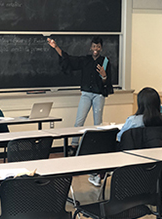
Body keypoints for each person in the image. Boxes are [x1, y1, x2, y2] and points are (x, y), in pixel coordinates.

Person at [47, 36, 113, 187]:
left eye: (98, 47)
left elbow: (106, 82)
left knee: (98, 123)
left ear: (101, 48)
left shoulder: (105, 62)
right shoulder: (85, 60)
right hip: (86, 93)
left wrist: (104, 75)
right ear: (91, 47)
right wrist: (56, 47)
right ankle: (74, 146)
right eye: (93, 46)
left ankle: (98, 147)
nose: (95, 49)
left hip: (98, 95)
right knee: (79, 120)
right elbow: (68, 59)